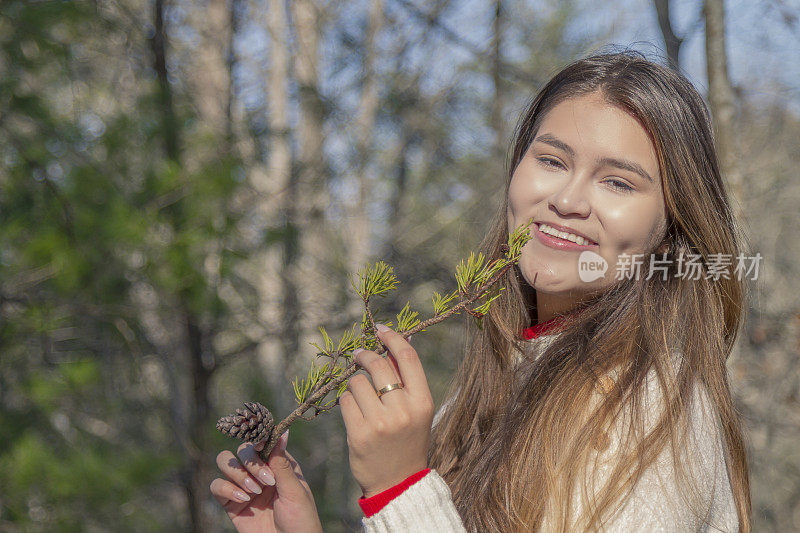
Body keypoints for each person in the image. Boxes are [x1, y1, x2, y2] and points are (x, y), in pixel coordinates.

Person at [210, 49, 752, 532]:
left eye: (617, 182)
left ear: (671, 230)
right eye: (552, 160)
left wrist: (401, 489)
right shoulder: (495, 379)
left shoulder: (655, 407)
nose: (567, 199)